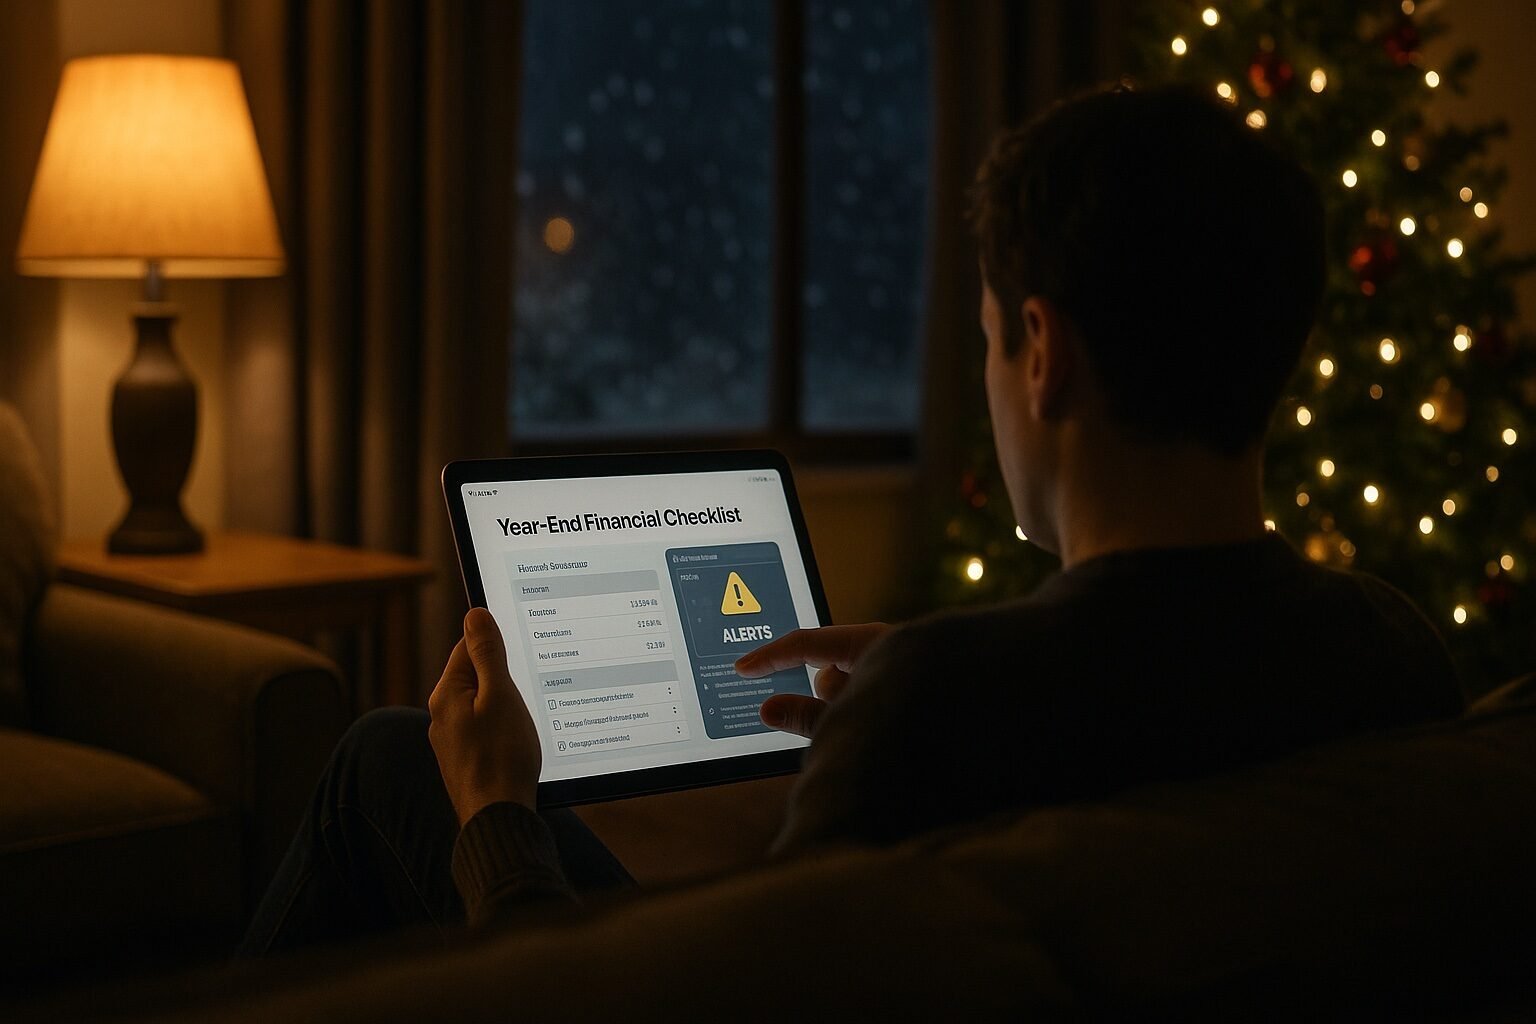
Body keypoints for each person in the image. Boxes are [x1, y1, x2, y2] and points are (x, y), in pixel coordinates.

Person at [239, 85, 1462, 955]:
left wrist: (500, 812)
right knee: (393, 750)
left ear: (1042, 353)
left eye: (985, 339)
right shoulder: (1390, 646)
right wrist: (937, 675)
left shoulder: (952, 707)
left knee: (392, 761)